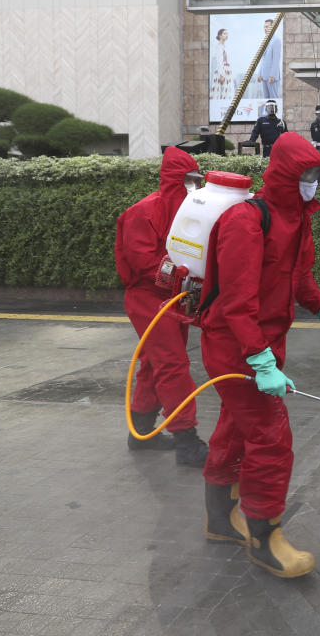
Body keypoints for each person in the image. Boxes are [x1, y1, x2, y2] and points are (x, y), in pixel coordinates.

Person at [197, 132, 320, 578]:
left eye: (317, 175)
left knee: (234, 428)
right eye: (307, 174)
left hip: (262, 344)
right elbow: (236, 302)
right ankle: (266, 538)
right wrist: (259, 361)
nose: (313, 183)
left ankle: (220, 519)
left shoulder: (297, 219)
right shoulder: (247, 221)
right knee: (270, 436)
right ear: (285, 173)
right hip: (234, 347)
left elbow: (298, 277)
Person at [114, 147, 210, 466]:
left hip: (172, 297)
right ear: (174, 180)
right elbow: (144, 263)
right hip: (147, 298)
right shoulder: (142, 212)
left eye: (197, 180)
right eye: (189, 180)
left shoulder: (188, 211)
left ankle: (140, 431)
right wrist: (181, 274)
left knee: (156, 364)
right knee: (172, 364)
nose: (194, 186)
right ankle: (186, 440)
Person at [256, 18, 282, 99]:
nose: (265, 29)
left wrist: (272, 75)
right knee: (266, 99)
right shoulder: (265, 41)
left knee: (273, 99)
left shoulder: (276, 40)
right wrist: (260, 73)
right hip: (264, 76)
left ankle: (274, 112)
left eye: (267, 27)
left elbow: (276, 60)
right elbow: (262, 59)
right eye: (264, 27)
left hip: (272, 77)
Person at [209, 28, 234, 100]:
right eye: (225, 34)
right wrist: (221, 75)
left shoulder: (224, 46)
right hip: (222, 71)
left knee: (227, 92)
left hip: (226, 70)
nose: (226, 35)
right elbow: (219, 61)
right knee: (221, 91)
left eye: (227, 34)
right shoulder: (219, 46)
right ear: (220, 36)